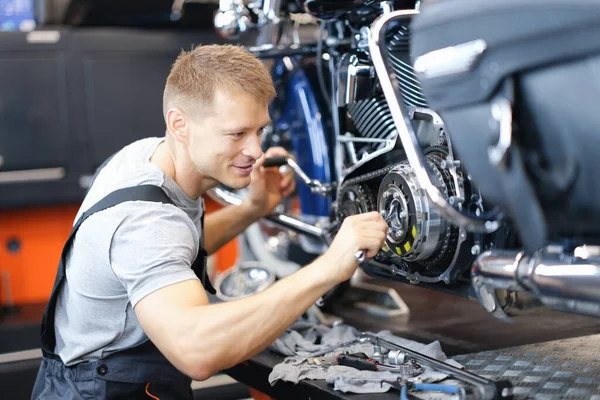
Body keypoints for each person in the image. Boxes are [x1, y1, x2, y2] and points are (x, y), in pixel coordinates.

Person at [31, 44, 388, 399]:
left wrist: (254, 208)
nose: (256, 151)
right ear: (180, 124)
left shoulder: (147, 156)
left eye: (259, 131)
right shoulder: (143, 219)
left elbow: (176, 248)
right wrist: (328, 268)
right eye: (237, 134)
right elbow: (196, 352)